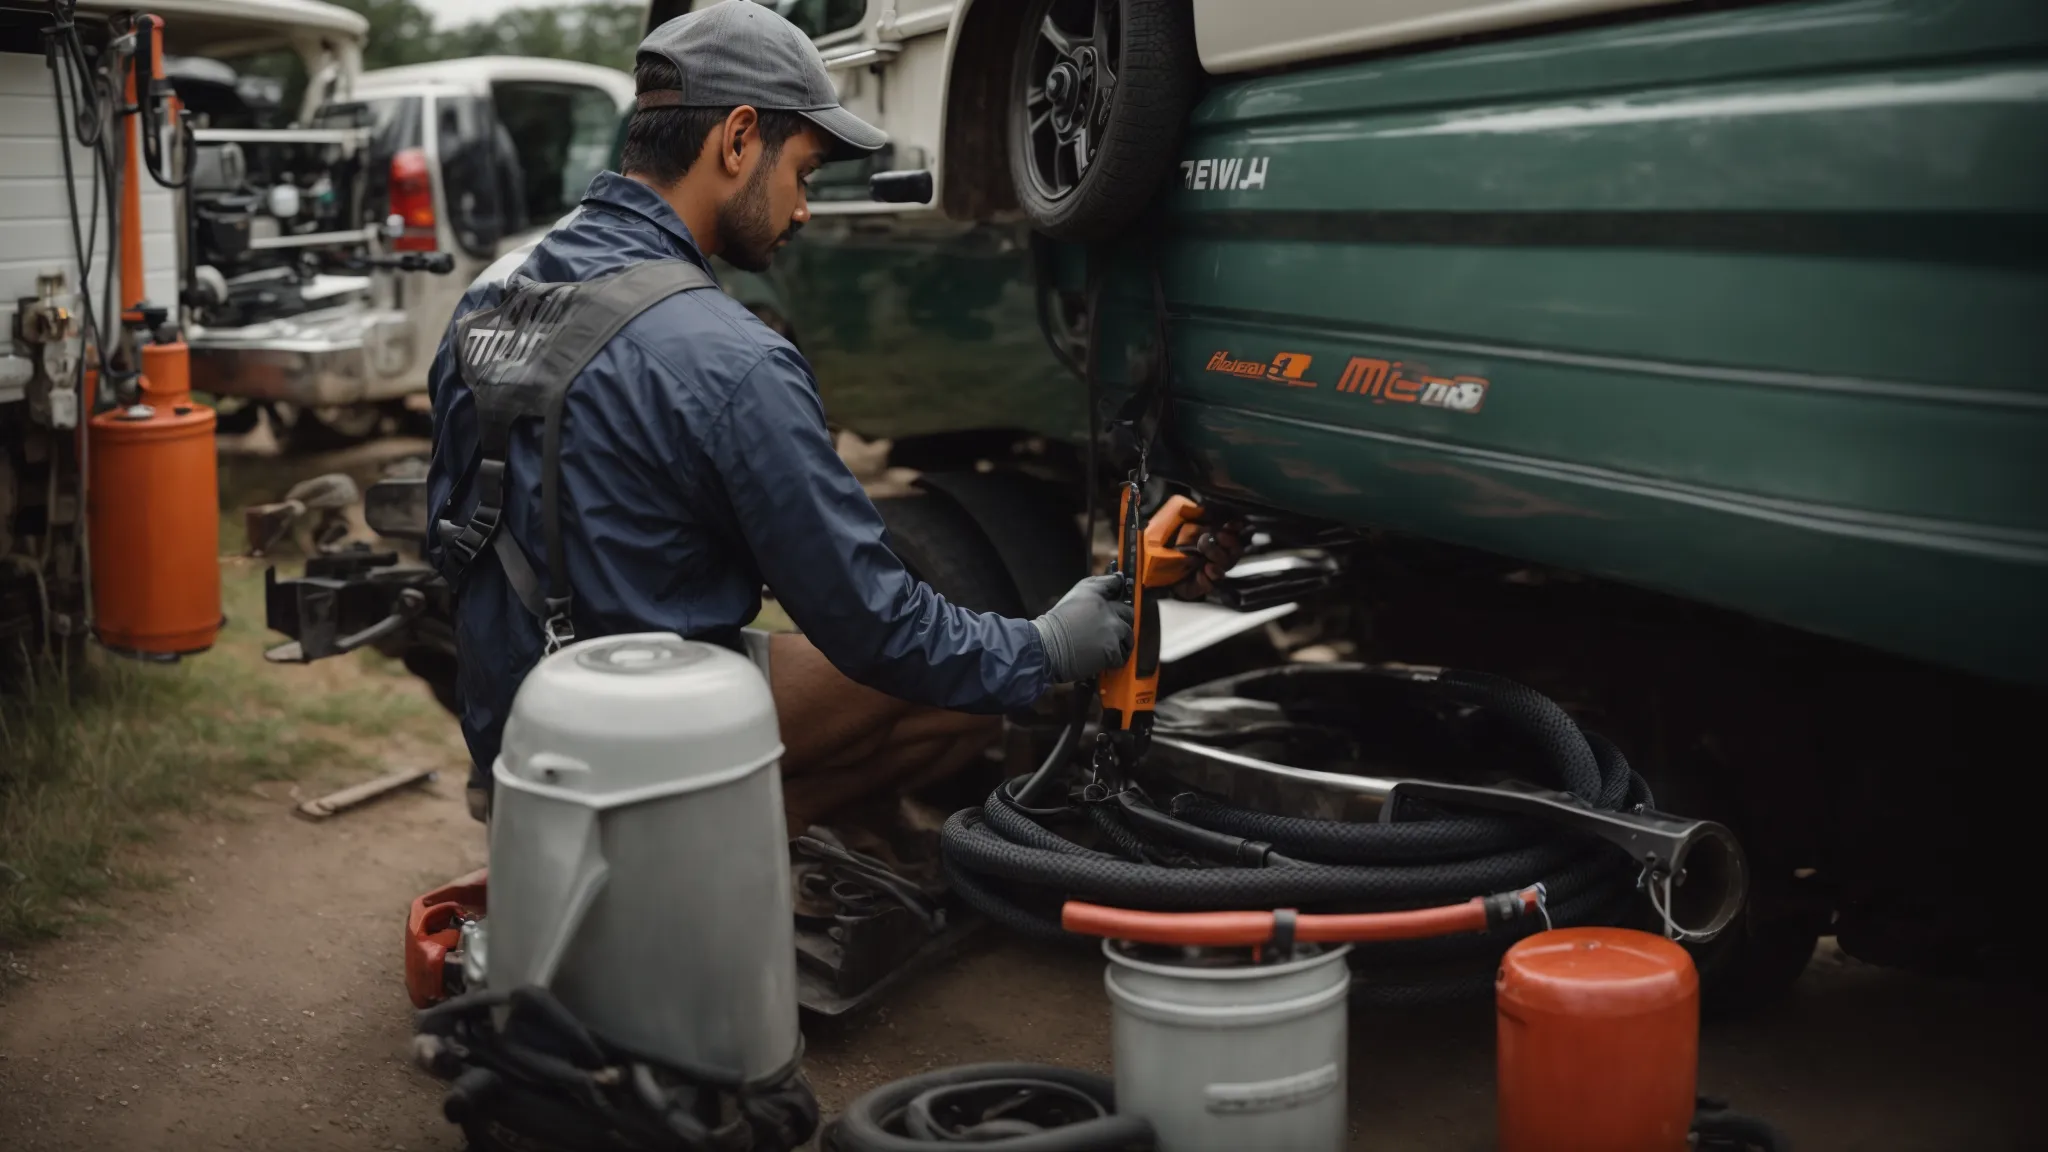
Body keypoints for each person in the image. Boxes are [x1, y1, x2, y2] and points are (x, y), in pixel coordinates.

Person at [425, 1, 1240, 831]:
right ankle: (679, 855)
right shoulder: (731, 358)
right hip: (629, 736)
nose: (805, 209)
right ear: (738, 140)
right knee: (958, 693)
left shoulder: (489, 300)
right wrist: (1050, 646)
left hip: (517, 719)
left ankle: (619, 837)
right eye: (805, 173)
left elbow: (459, 531)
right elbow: (879, 626)